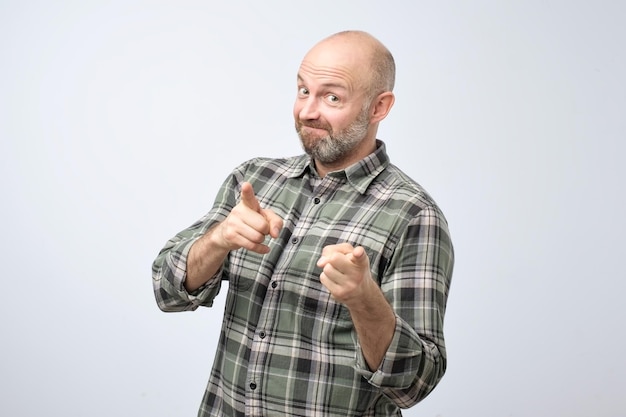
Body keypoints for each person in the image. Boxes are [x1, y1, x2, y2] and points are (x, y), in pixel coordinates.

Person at [152, 30, 454, 417]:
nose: (307, 111)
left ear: (379, 107)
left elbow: (414, 384)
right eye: (302, 91)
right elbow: (167, 291)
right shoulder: (255, 180)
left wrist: (364, 300)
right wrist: (218, 240)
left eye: (332, 97)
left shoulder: (414, 215)